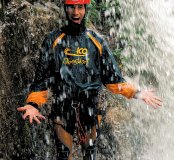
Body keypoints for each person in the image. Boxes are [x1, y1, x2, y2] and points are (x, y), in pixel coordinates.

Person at [17, 0, 162, 159]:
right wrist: (32, 104)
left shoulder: (97, 42)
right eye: (72, 7)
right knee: (63, 156)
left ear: (85, 9)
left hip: (90, 109)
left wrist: (137, 92)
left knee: (90, 156)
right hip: (63, 109)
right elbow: (41, 81)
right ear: (66, 8)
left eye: (80, 7)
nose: (76, 13)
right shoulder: (53, 40)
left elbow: (113, 80)